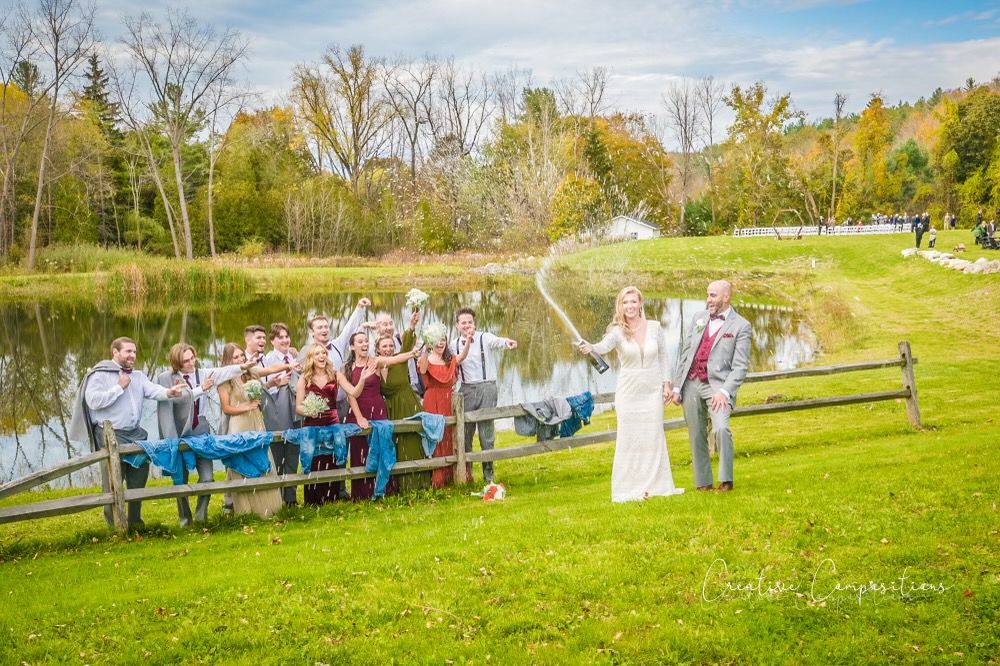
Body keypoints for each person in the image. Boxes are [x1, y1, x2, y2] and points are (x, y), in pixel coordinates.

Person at [578, 286, 684, 502]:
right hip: (629, 391)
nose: (630, 306)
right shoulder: (617, 331)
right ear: (620, 306)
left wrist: (667, 384)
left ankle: (658, 486)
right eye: (625, 303)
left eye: (633, 302)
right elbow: (602, 347)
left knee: (653, 436)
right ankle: (628, 488)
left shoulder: (655, 327)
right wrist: (590, 347)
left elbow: (663, 357)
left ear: (640, 303)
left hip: (653, 389)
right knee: (630, 439)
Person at [70, 337, 185, 528]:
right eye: (128, 351)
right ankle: (115, 525)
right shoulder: (99, 375)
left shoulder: (138, 376)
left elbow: (152, 390)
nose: (132, 355)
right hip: (110, 435)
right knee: (113, 480)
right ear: (115, 352)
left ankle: (135, 522)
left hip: (135, 434)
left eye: (134, 351)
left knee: (138, 477)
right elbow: (94, 401)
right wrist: (119, 387)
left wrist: (169, 392)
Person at [670, 280, 752, 492]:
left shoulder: (741, 326)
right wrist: (678, 386)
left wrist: (724, 391)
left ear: (726, 297)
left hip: (718, 387)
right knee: (696, 433)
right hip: (692, 383)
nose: (709, 300)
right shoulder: (699, 318)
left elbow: (741, 367)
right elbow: (686, 354)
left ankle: (726, 481)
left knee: (721, 428)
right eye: (707, 295)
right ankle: (703, 483)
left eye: (713, 295)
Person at [217, 343, 294, 518]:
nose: (240, 360)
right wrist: (246, 406)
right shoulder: (225, 381)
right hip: (239, 424)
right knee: (242, 462)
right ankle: (245, 509)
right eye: (235, 357)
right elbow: (226, 408)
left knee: (262, 458)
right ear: (228, 361)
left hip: (257, 422)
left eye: (241, 356)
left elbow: (271, 369)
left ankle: (269, 506)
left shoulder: (250, 373)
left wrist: (288, 365)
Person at [341, 332, 417, 500]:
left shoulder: (375, 362)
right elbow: (351, 395)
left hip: (377, 409)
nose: (364, 344)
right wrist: (359, 417)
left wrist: (412, 353)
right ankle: (362, 493)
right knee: (361, 450)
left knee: (382, 446)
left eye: (366, 341)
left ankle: (384, 489)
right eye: (360, 342)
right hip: (358, 411)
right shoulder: (347, 367)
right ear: (352, 346)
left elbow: (396, 359)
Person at [155, 343, 223, 527]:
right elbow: (176, 401)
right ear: (177, 362)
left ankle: (201, 517)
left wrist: (244, 366)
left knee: (208, 477)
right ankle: (185, 519)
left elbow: (226, 371)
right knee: (180, 479)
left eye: (192, 358)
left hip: (200, 428)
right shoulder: (166, 378)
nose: (191, 363)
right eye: (186, 361)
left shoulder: (204, 373)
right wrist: (202, 388)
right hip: (178, 431)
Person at [294, 343, 365, 505]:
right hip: (312, 427)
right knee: (313, 461)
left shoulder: (335, 374)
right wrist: (310, 411)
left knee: (331, 460)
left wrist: (362, 379)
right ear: (311, 358)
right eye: (317, 354)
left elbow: (353, 392)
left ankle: (331, 499)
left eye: (324, 353)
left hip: (332, 426)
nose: (322, 356)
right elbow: (298, 407)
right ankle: (313, 502)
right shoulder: (304, 378)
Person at [454, 307, 518, 484]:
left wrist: (507, 342)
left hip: (487, 388)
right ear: (457, 325)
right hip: (466, 390)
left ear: (474, 323)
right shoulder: (454, 344)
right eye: (463, 322)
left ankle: (488, 475)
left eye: (470, 322)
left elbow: (497, 341)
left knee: (486, 434)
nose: (467, 325)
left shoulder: (484, 337)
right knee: (465, 434)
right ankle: (466, 475)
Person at [376, 333, 430, 491]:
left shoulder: (401, 359)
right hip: (391, 409)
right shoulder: (375, 365)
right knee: (396, 445)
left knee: (411, 442)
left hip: (407, 404)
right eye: (384, 346)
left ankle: (419, 483)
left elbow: (407, 342)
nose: (388, 349)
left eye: (391, 345)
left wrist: (412, 325)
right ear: (378, 350)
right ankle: (400, 486)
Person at [420, 328, 473, 488]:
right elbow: (422, 370)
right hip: (432, 399)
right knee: (437, 436)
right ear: (431, 343)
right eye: (437, 340)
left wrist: (468, 340)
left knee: (452, 435)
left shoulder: (450, 359)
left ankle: (457, 474)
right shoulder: (426, 359)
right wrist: (425, 351)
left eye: (443, 340)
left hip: (449, 399)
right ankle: (439, 478)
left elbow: (462, 356)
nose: (441, 343)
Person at [303, 297, 372, 418]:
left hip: (341, 404)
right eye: (320, 327)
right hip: (319, 409)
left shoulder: (337, 345)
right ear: (311, 332)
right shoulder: (307, 352)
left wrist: (359, 308)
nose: (324, 330)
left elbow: (349, 328)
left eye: (326, 327)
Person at [262, 322, 300, 506]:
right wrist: (277, 384)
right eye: (281, 337)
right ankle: (276, 498)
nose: (285, 340)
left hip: (296, 410)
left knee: (293, 454)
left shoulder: (294, 357)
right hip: (277, 411)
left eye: (287, 336)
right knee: (278, 454)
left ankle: (291, 498)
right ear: (272, 340)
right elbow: (263, 389)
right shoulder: (269, 360)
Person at [365, 309, 423, 396]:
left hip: (410, 385)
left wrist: (412, 324)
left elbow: (414, 345)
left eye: (391, 323)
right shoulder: (372, 350)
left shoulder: (400, 339)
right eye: (385, 324)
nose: (389, 327)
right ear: (377, 327)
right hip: (386, 392)